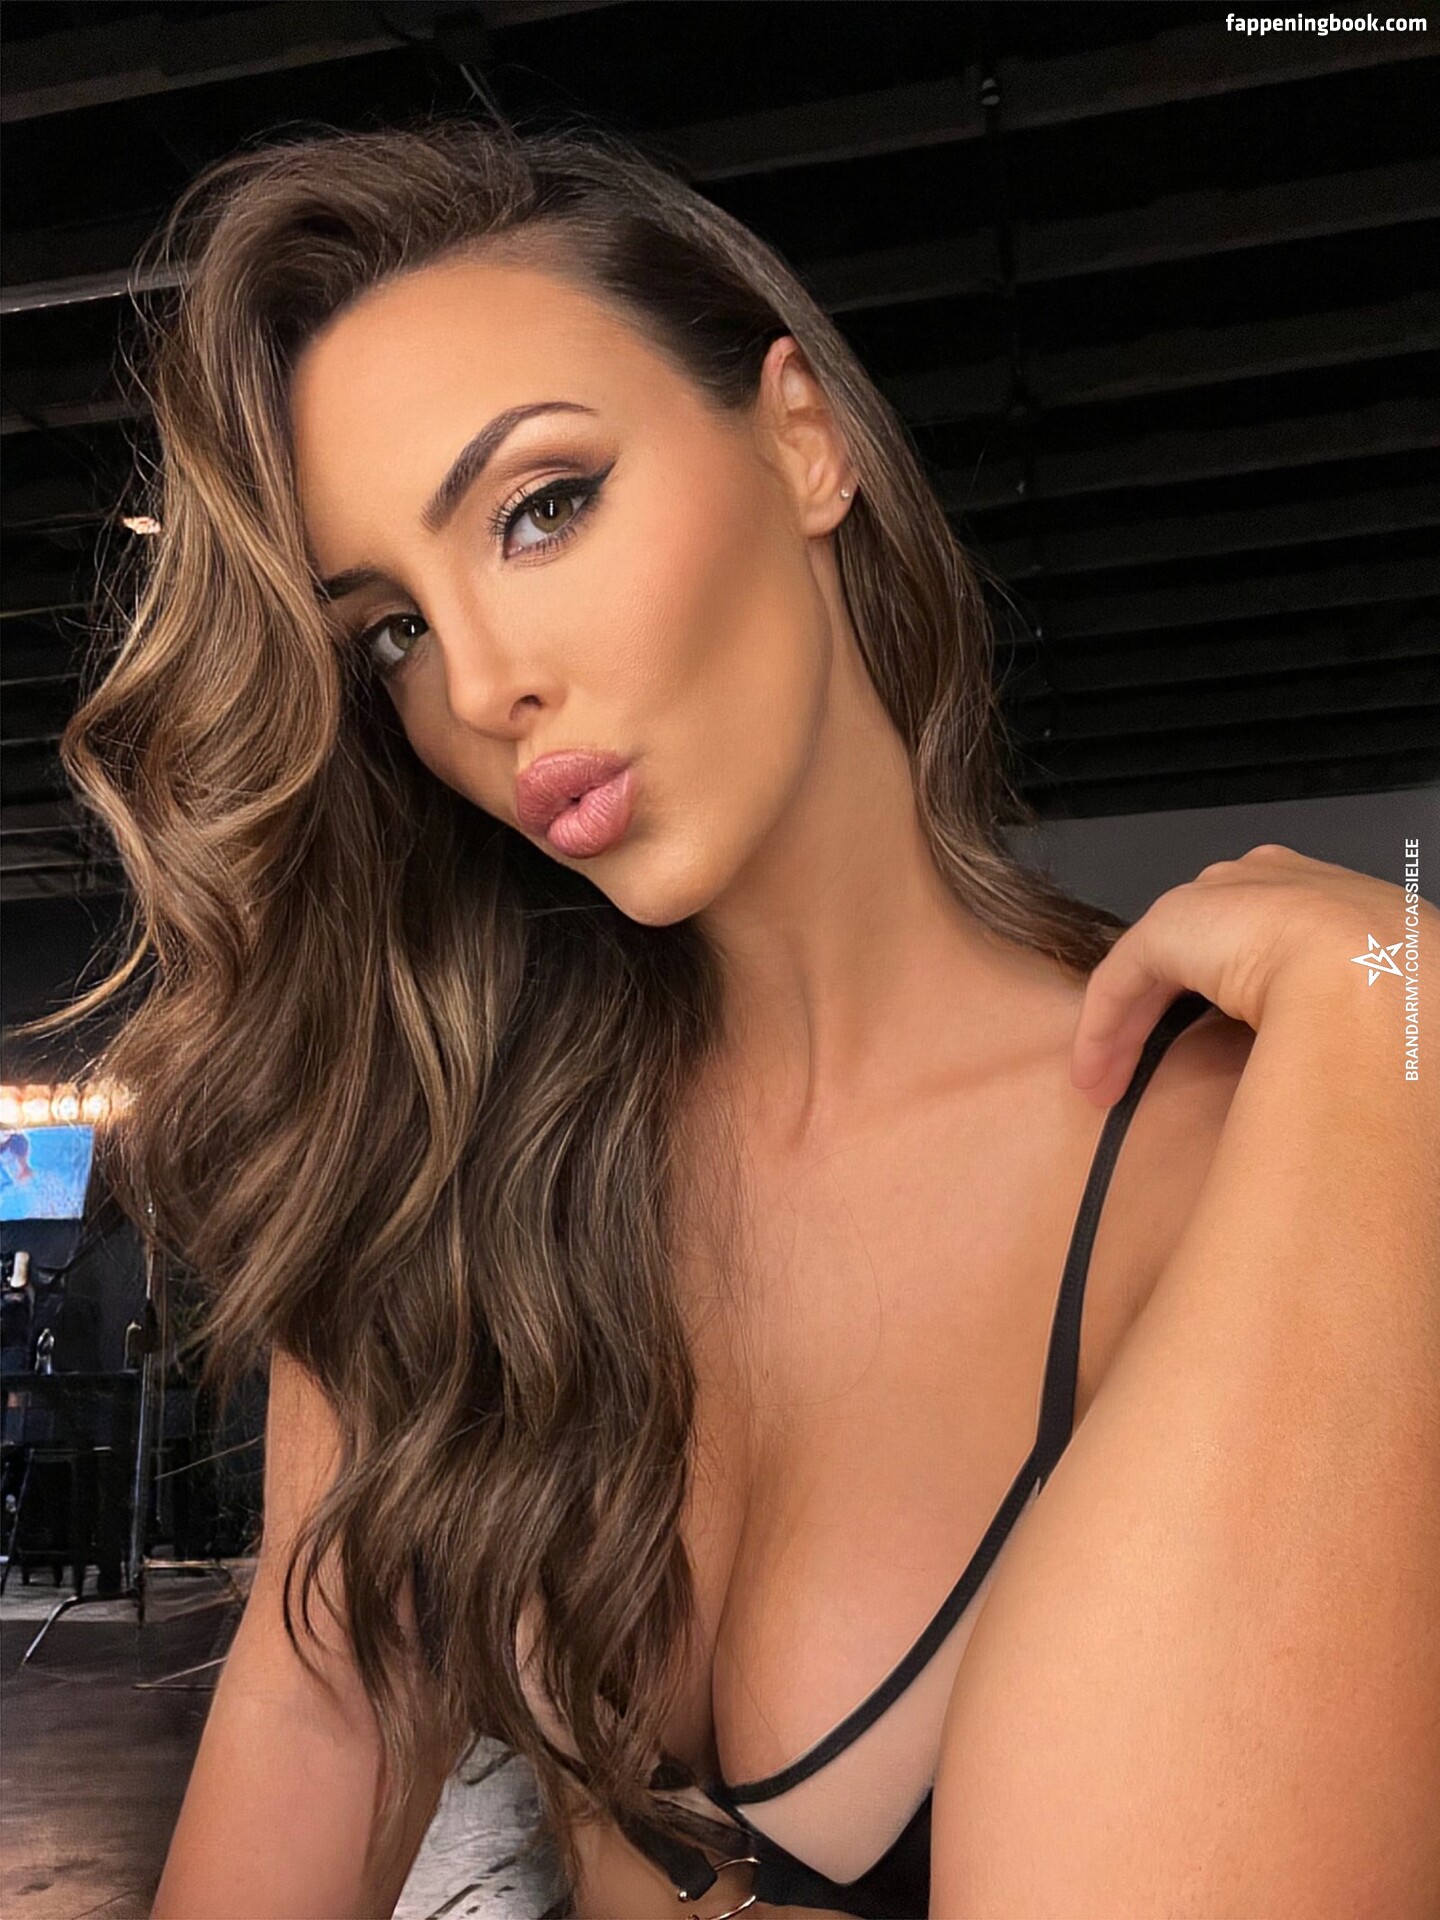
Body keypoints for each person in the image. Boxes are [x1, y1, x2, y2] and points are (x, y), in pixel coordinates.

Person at [32, 118, 1438, 1920]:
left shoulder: (1255, 1155)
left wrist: (1401, 1006)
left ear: (803, 438)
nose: (481, 684)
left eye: (542, 507)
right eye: (389, 632)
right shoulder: (448, 1182)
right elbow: (311, 1730)